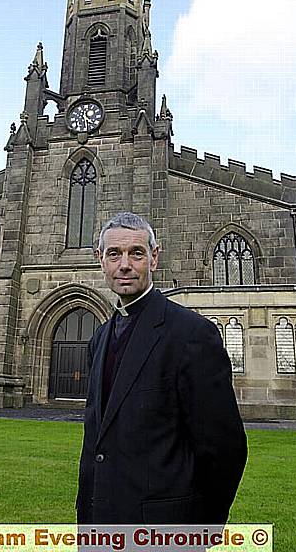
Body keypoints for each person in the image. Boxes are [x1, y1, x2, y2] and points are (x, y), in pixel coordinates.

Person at [76, 212, 247, 525]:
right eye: (114, 254)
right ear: (101, 260)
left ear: (153, 258)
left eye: (136, 253)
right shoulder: (100, 338)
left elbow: (225, 448)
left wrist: (201, 527)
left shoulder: (191, 334)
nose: (124, 264)